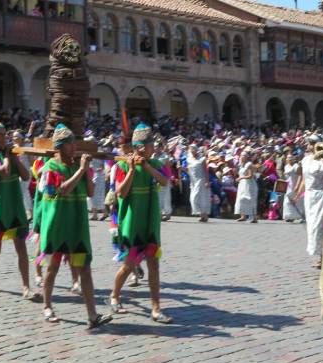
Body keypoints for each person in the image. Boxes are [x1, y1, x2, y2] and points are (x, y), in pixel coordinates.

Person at [35, 124, 111, 328]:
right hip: (57, 224)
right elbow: (62, 190)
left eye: (74, 143)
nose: (75, 147)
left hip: (77, 223)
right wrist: (81, 170)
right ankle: (47, 306)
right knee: (53, 266)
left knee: (85, 268)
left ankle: (93, 315)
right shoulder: (51, 166)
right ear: (60, 147)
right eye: (70, 144)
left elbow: (90, 192)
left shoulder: (78, 165)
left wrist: (87, 172)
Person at [107, 123, 172, 323]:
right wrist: (133, 170)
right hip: (131, 222)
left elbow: (164, 181)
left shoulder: (157, 164)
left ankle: (156, 308)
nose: (156, 148)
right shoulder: (121, 166)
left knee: (154, 264)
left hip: (150, 222)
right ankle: (114, 296)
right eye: (152, 144)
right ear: (141, 147)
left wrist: (146, 166)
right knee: (129, 265)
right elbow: (120, 193)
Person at [0, 120, 36, 299]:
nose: (5, 138)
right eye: (0, 135)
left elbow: (26, 176)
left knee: (21, 248)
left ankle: (26, 287)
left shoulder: (10, 156)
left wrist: (15, 157)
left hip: (15, 209)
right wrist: (9, 155)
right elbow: (5, 171)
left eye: (5, 134)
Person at [298, 141, 323, 267]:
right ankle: (320, 255)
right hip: (309, 197)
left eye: (313, 143)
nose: (310, 146)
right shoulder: (305, 160)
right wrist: (297, 194)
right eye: (309, 143)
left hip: (321, 195)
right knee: (311, 227)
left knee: (319, 226)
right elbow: (304, 180)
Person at [186, 144, 210, 222]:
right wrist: (181, 169)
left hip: (201, 180)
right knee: (193, 198)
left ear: (197, 150)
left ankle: (204, 215)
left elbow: (206, 171)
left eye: (194, 149)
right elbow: (188, 170)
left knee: (201, 197)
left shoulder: (202, 159)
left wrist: (207, 181)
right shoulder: (189, 159)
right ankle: (202, 215)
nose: (193, 151)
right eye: (191, 149)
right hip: (193, 181)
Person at [235, 151, 258, 222]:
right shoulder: (241, 165)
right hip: (242, 184)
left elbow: (250, 176)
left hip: (249, 185)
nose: (242, 157)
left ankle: (254, 218)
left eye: (244, 156)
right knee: (240, 199)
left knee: (250, 199)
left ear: (247, 157)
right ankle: (243, 216)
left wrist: (241, 178)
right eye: (241, 156)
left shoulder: (249, 164)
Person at [282, 153, 304, 223]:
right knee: (287, 201)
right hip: (288, 186)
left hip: (294, 185)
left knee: (297, 201)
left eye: (291, 158)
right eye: (288, 158)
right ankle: (289, 216)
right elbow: (285, 176)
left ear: (293, 159)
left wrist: (297, 185)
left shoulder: (296, 166)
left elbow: (300, 176)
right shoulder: (286, 166)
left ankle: (301, 216)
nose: (289, 159)